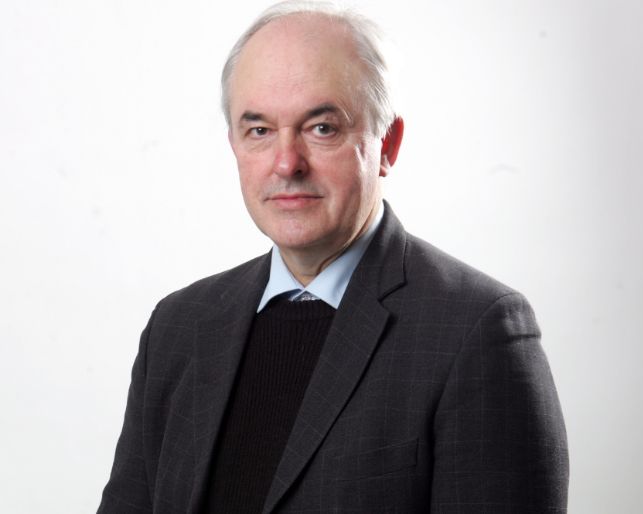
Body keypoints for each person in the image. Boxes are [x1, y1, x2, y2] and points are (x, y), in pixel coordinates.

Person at [97, 1, 569, 512]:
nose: (287, 163)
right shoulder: (179, 327)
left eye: (321, 128)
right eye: (260, 131)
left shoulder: (475, 332)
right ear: (234, 143)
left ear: (387, 144)